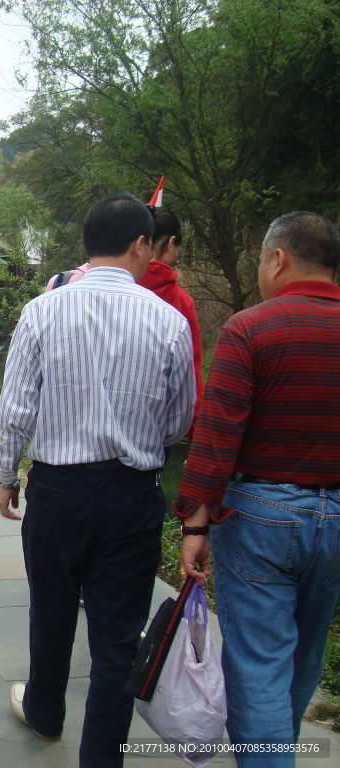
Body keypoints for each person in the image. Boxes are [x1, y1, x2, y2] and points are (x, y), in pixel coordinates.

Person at [0, 192, 195, 766]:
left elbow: (15, 408)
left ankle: (46, 713)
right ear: (140, 244)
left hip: (57, 490)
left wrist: (8, 473)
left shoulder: (42, 310)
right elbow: (180, 419)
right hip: (132, 494)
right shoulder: (169, 319)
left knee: (51, 609)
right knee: (116, 636)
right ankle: (101, 756)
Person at [177, 212, 340, 762]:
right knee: (304, 658)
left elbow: (217, 436)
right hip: (337, 519)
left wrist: (195, 523)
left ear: (279, 259)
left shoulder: (250, 329)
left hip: (261, 518)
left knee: (259, 665)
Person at [138, 209, 203, 430]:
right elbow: (192, 376)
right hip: (158, 427)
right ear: (171, 243)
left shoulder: (116, 288)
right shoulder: (181, 302)